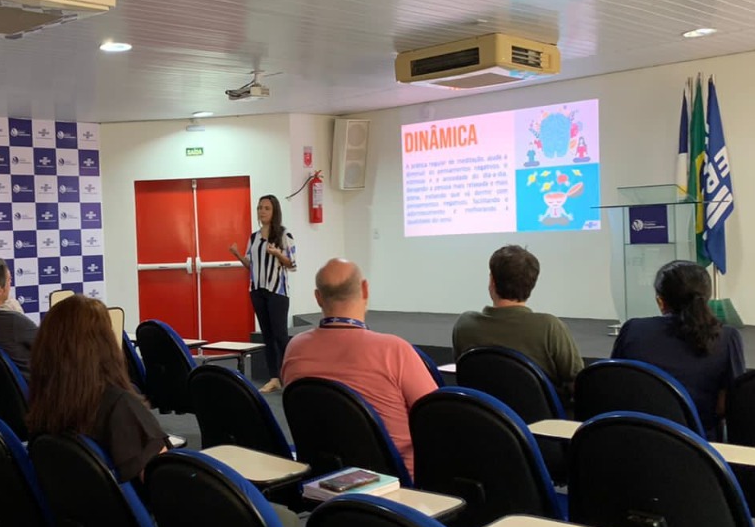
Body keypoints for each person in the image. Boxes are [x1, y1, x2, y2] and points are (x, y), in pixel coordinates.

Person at [281, 258, 437, 478]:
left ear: (317, 298)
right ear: (365, 289)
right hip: (397, 487)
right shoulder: (394, 351)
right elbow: (438, 419)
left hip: (324, 481)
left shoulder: (295, 349)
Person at [27, 295, 168, 483]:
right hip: (129, 511)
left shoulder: (45, 402)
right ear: (104, 344)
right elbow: (165, 484)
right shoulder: (121, 406)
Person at [612, 260, 746, 439]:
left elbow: (615, 384)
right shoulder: (727, 338)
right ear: (706, 297)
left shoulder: (633, 330)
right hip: (698, 450)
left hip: (635, 443)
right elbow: (729, 404)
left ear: (660, 301)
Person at [452, 245, 583, 398]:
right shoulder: (549, 328)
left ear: (492, 282)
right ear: (531, 284)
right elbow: (579, 382)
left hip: (484, 416)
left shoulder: (465, 325)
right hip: (542, 419)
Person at [229, 194, 296, 393]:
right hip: (257, 290)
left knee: (280, 335)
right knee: (267, 335)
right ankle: (274, 377)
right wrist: (237, 255)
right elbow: (250, 264)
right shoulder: (254, 237)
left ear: (274, 211)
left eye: (266, 208)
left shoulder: (284, 235)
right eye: (259, 208)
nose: (262, 212)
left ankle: (293, 374)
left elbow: (292, 263)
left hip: (277, 291)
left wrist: (277, 254)